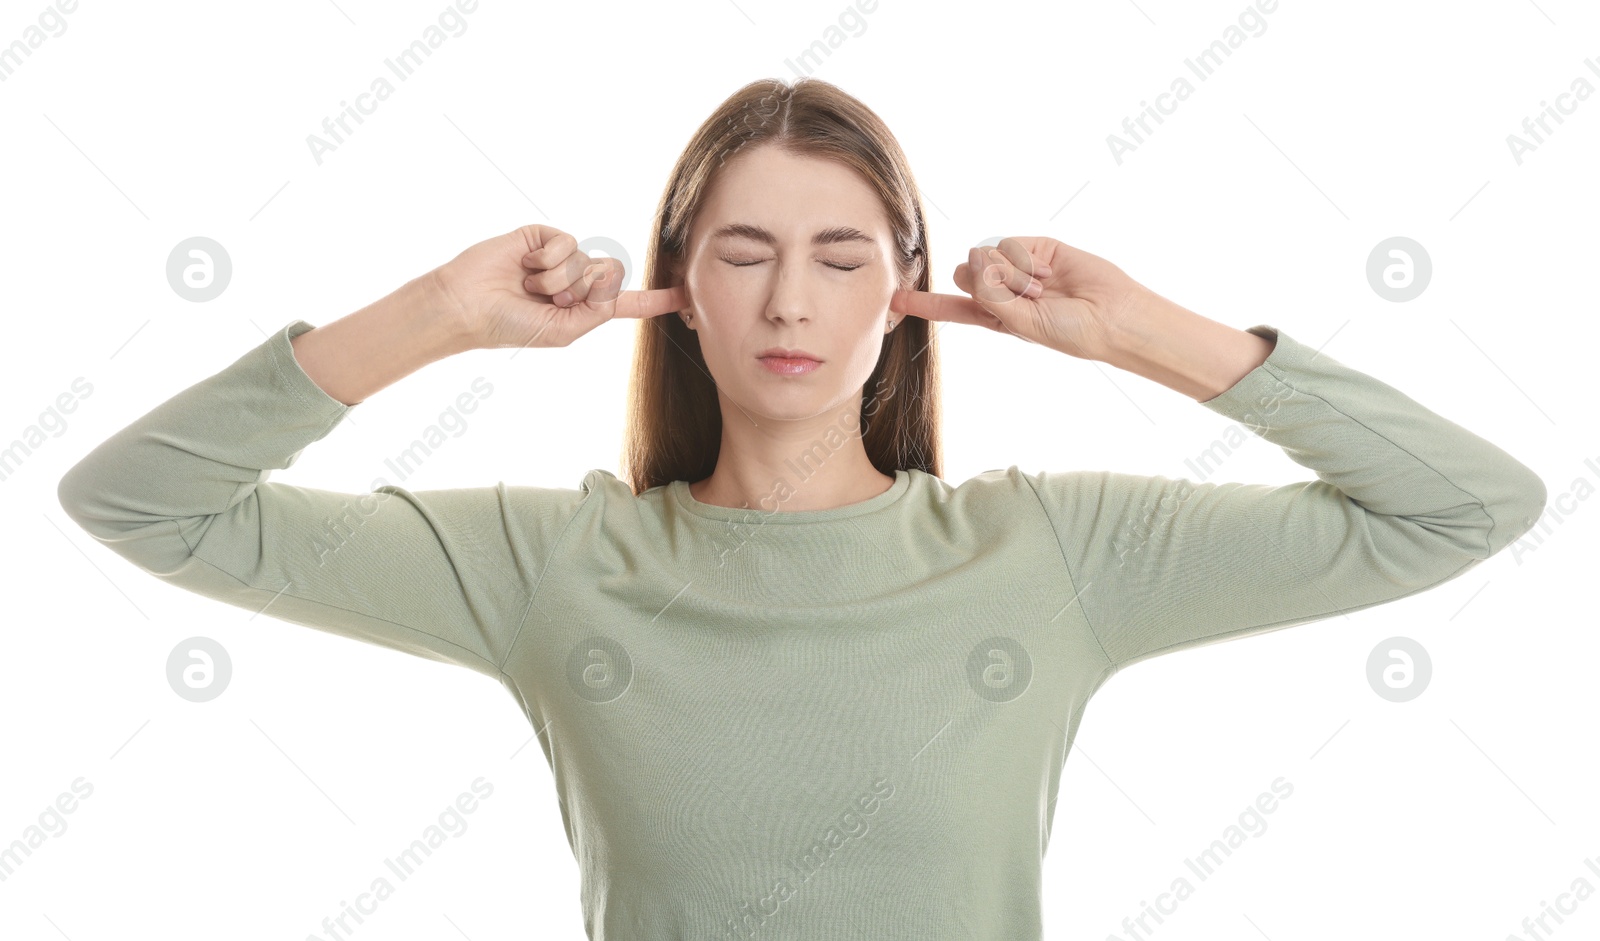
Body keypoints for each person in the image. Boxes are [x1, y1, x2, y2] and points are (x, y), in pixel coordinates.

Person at [57, 77, 1547, 940]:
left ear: (905, 297)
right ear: (678, 288)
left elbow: (1464, 506)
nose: (790, 301)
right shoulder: (551, 565)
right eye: (743, 251)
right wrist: (436, 318)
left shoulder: (1050, 558)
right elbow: (141, 503)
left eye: (844, 257)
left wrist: (1144, 332)